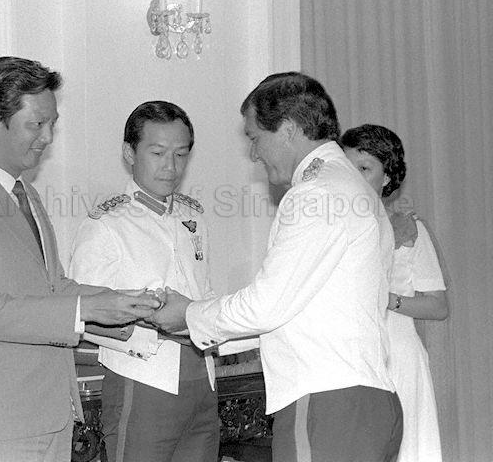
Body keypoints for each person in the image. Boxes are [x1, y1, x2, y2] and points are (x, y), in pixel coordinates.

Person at [149, 72, 404, 462]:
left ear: (286, 130)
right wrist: (198, 330)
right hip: (363, 402)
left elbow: (268, 303)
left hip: (326, 406)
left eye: (254, 138)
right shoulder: (352, 188)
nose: (253, 154)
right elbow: (302, 312)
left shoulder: (315, 194)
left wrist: (189, 313)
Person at [0, 56, 160, 462]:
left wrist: (124, 303)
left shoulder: (26, 195)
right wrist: (87, 308)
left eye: (52, 123)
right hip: (1, 423)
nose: (48, 137)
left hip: (51, 414)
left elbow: (54, 288)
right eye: (37, 124)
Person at [69, 101, 219, 462]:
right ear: (129, 153)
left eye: (181, 154)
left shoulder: (191, 215)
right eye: (158, 153)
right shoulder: (107, 224)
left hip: (204, 380)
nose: (171, 166)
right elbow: (79, 315)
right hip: (145, 376)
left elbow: (205, 291)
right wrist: (151, 333)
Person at [341, 124, 448, 462]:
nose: (354, 178)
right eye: (347, 168)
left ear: (387, 177)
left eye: (364, 168)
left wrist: (388, 300)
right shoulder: (326, 227)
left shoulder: (408, 228)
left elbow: (437, 305)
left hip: (398, 356)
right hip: (347, 356)